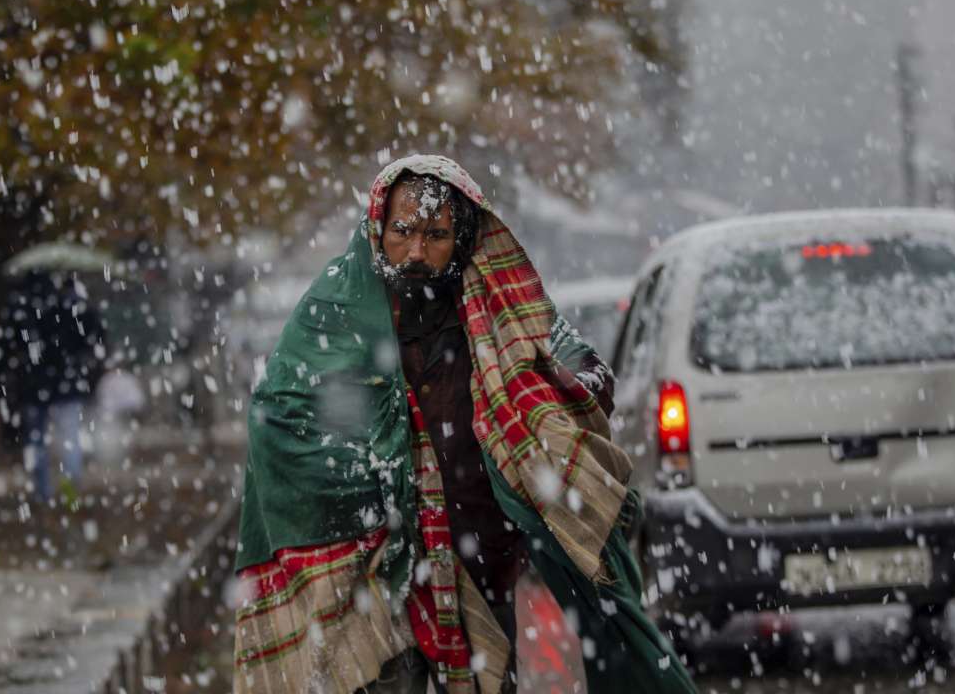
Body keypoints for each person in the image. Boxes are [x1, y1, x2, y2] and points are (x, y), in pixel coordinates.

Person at [233, 155, 696, 694]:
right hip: (379, 562)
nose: (415, 252)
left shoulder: (497, 305)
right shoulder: (336, 309)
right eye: (402, 232)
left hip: (478, 550)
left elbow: (577, 360)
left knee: (488, 680)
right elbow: (281, 413)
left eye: (436, 235)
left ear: (464, 237)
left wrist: (557, 399)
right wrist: (366, 480)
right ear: (378, 228)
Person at [0, 270, 106, 501]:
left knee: (36, 440)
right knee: (69, 437)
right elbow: (91, 337)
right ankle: (70, 492)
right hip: (66, 383)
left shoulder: (23, 308)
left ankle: (42, 492)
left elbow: (7, 346)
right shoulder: (69, 306)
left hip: (33, 385)